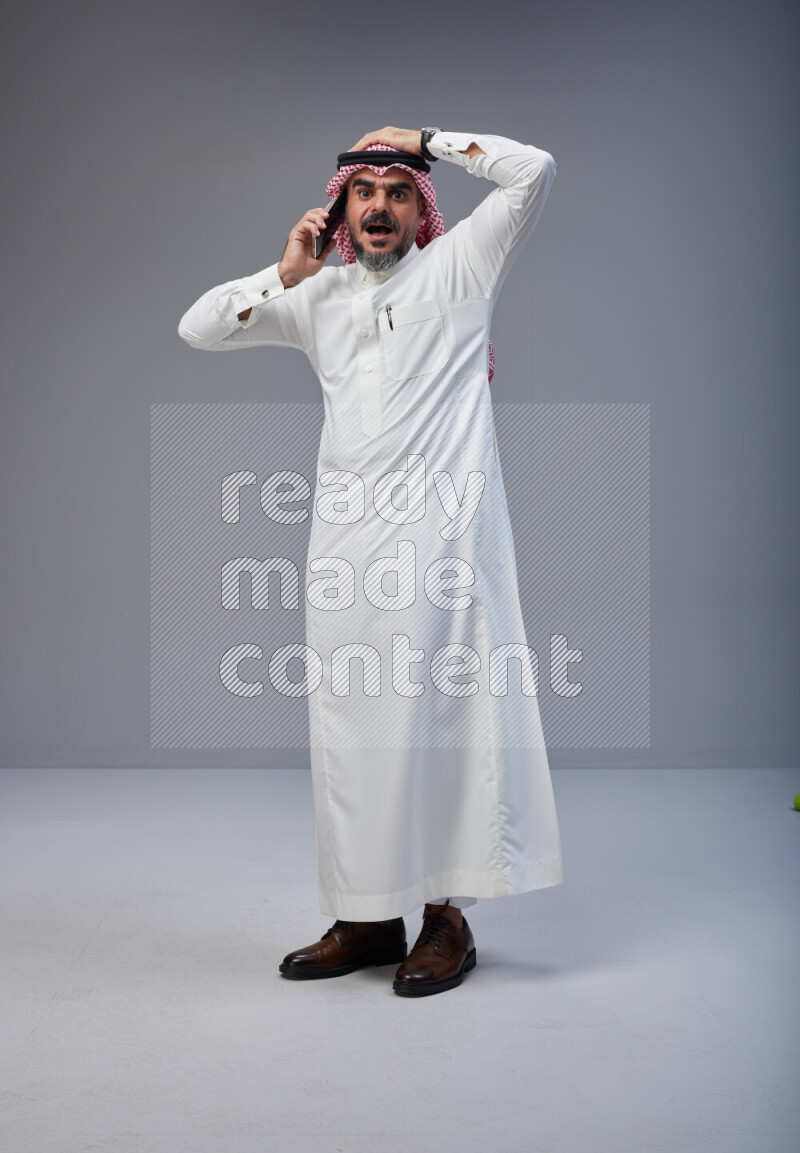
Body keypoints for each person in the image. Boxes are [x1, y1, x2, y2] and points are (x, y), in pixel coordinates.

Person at [178, 126, 563, 997]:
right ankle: (366, 915)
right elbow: (197, 326)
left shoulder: (462, 267)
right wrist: (282, 274)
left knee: (448, 723)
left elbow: (532, 170)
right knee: (354, 732)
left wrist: (427, 137)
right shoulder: (319, 293)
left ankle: (447, 919)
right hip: (348, 548)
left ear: (419, 207)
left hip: (447, 545)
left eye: (398, 189)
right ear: (341, 207)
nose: (382, 204)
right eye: (366, 191)